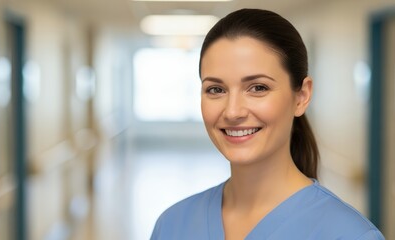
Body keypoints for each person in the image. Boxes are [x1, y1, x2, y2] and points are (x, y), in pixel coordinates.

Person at [150, 8, 385, 240]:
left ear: (301, 96)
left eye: (258, 88)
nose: (233, 111)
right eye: (216, 89)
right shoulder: (172, 224)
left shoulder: (351, 235)